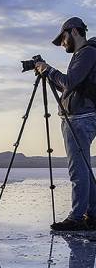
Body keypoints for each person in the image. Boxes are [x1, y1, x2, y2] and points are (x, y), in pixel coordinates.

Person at [35, 17, 96, 231]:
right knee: (84, 169)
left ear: (73, 32)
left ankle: (77, 217)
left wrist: (49, 70)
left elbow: (69, 82)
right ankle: (93, 213)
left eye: (63, 38)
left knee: (77, 170)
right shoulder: (84, 54)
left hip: (80, 118)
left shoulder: (87, 53)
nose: (62, 43)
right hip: (80, 116)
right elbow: (71, 88)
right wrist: (48, 75)